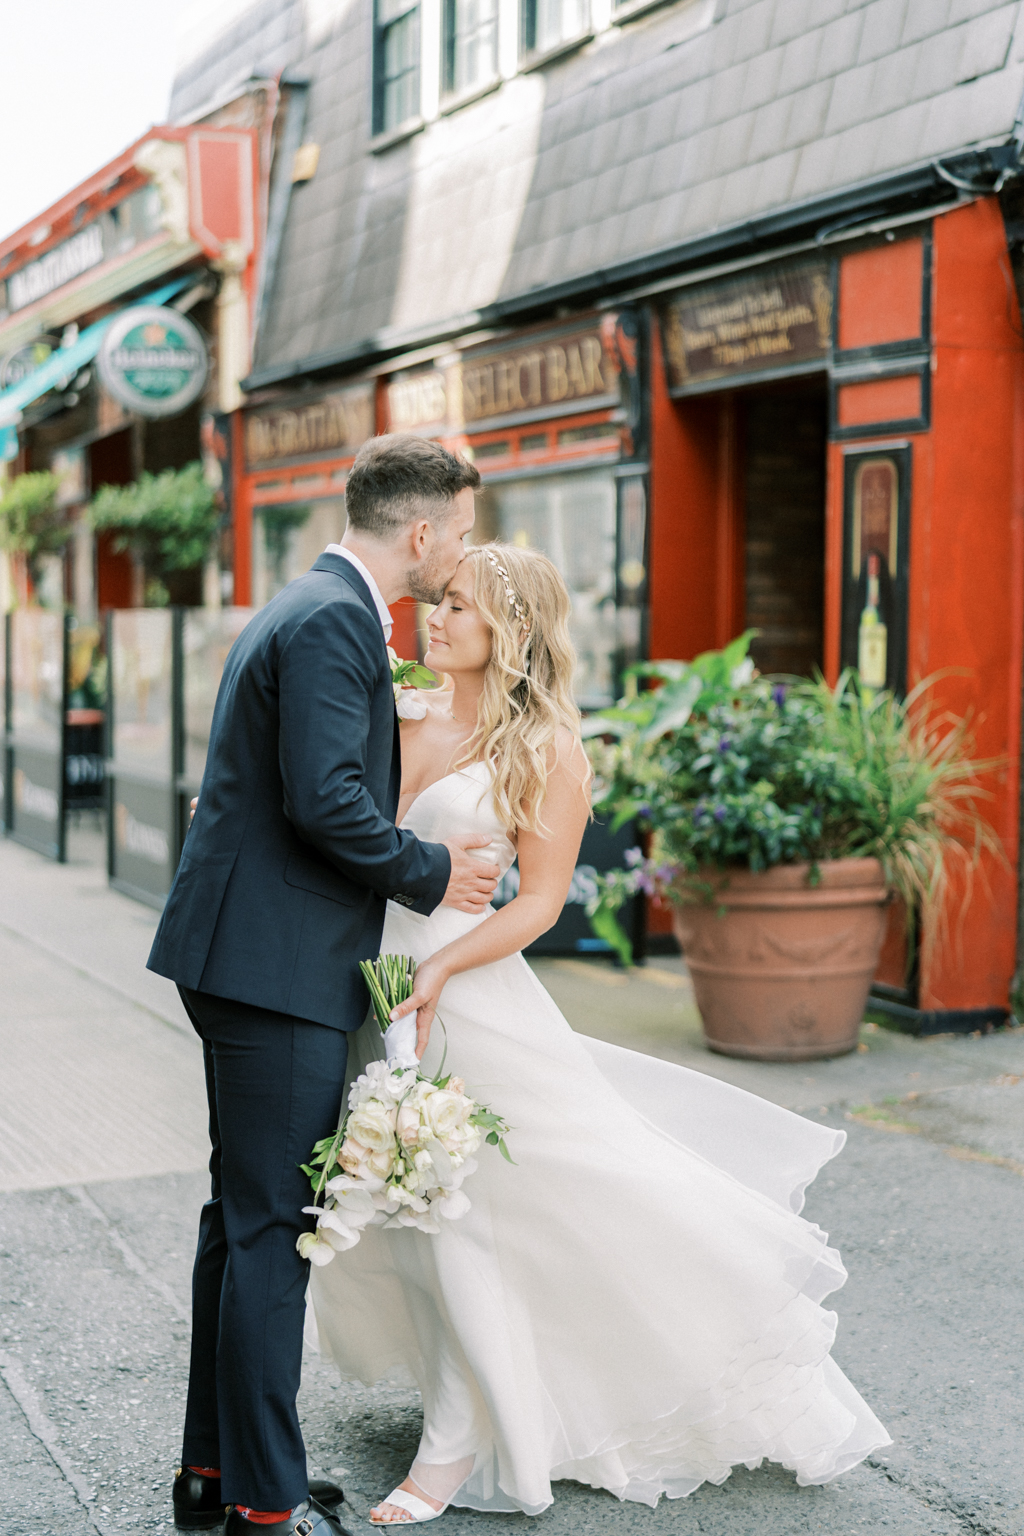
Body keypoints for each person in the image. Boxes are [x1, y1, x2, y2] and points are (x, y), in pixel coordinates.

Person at [306, 542, 892, 1525]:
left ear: (512, 630)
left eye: (456, 606)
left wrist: (442, 969)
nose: (433, 617)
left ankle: (451, 1452)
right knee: (411, 1219)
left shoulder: (546, 750)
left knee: (458, 1217)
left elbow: (537, 903)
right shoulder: (401, 715)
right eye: (437, 600)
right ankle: (480, 1399)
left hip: (466, 993)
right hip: (378, 989)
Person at [147, 435, 503, 1536]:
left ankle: (218, 1472)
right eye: (460, 527)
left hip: (252, 954)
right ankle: (263, 1499)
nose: (462, 549)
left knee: (239, 1220)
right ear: (421, 532)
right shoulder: (335, 622)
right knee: (270, 1229)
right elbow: (326, 802)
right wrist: (436, 867)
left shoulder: (311, 607)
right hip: (273, 967)